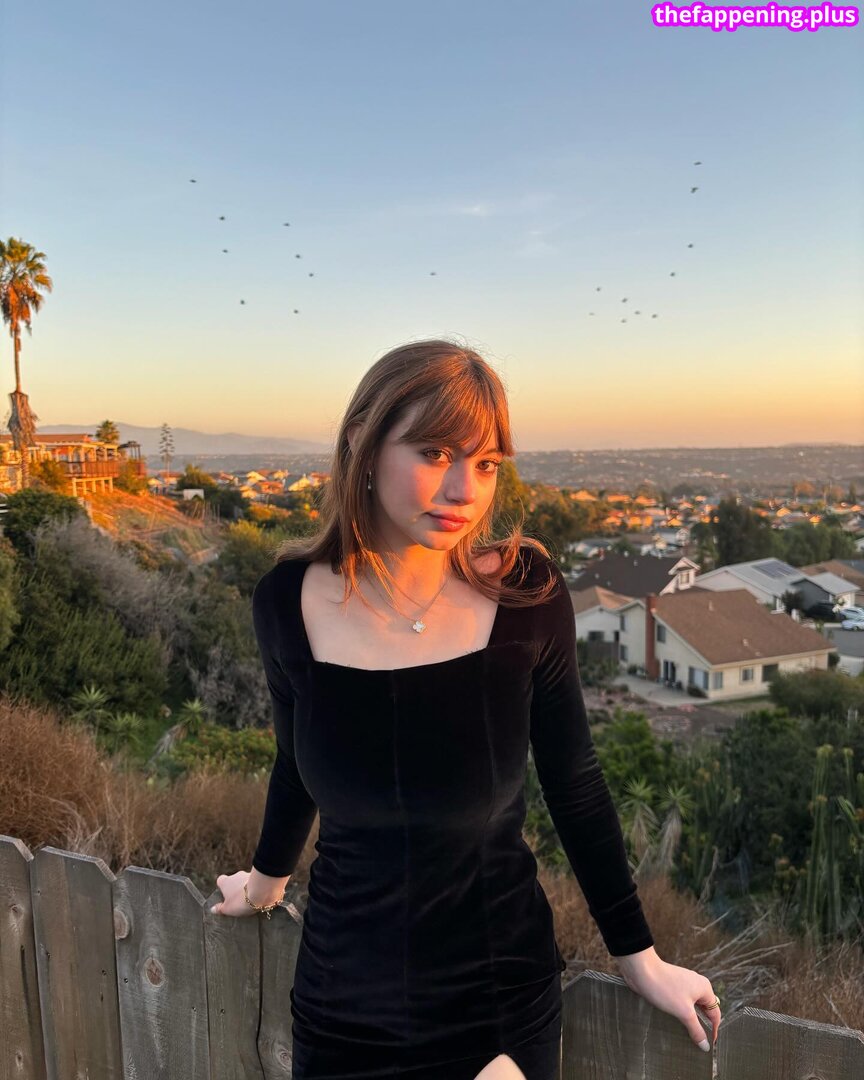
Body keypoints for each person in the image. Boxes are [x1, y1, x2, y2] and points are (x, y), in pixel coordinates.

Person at [211, 339, 722, 1079]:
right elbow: (296, 761)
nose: (463, 490)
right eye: (434, 453)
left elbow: (574, 781)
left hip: (494, 1004)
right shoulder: (285, 602)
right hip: (339, 1001)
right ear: (362, 444)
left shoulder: (524, 594)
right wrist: (263, 884)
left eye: (485, 464)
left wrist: (638, 957)